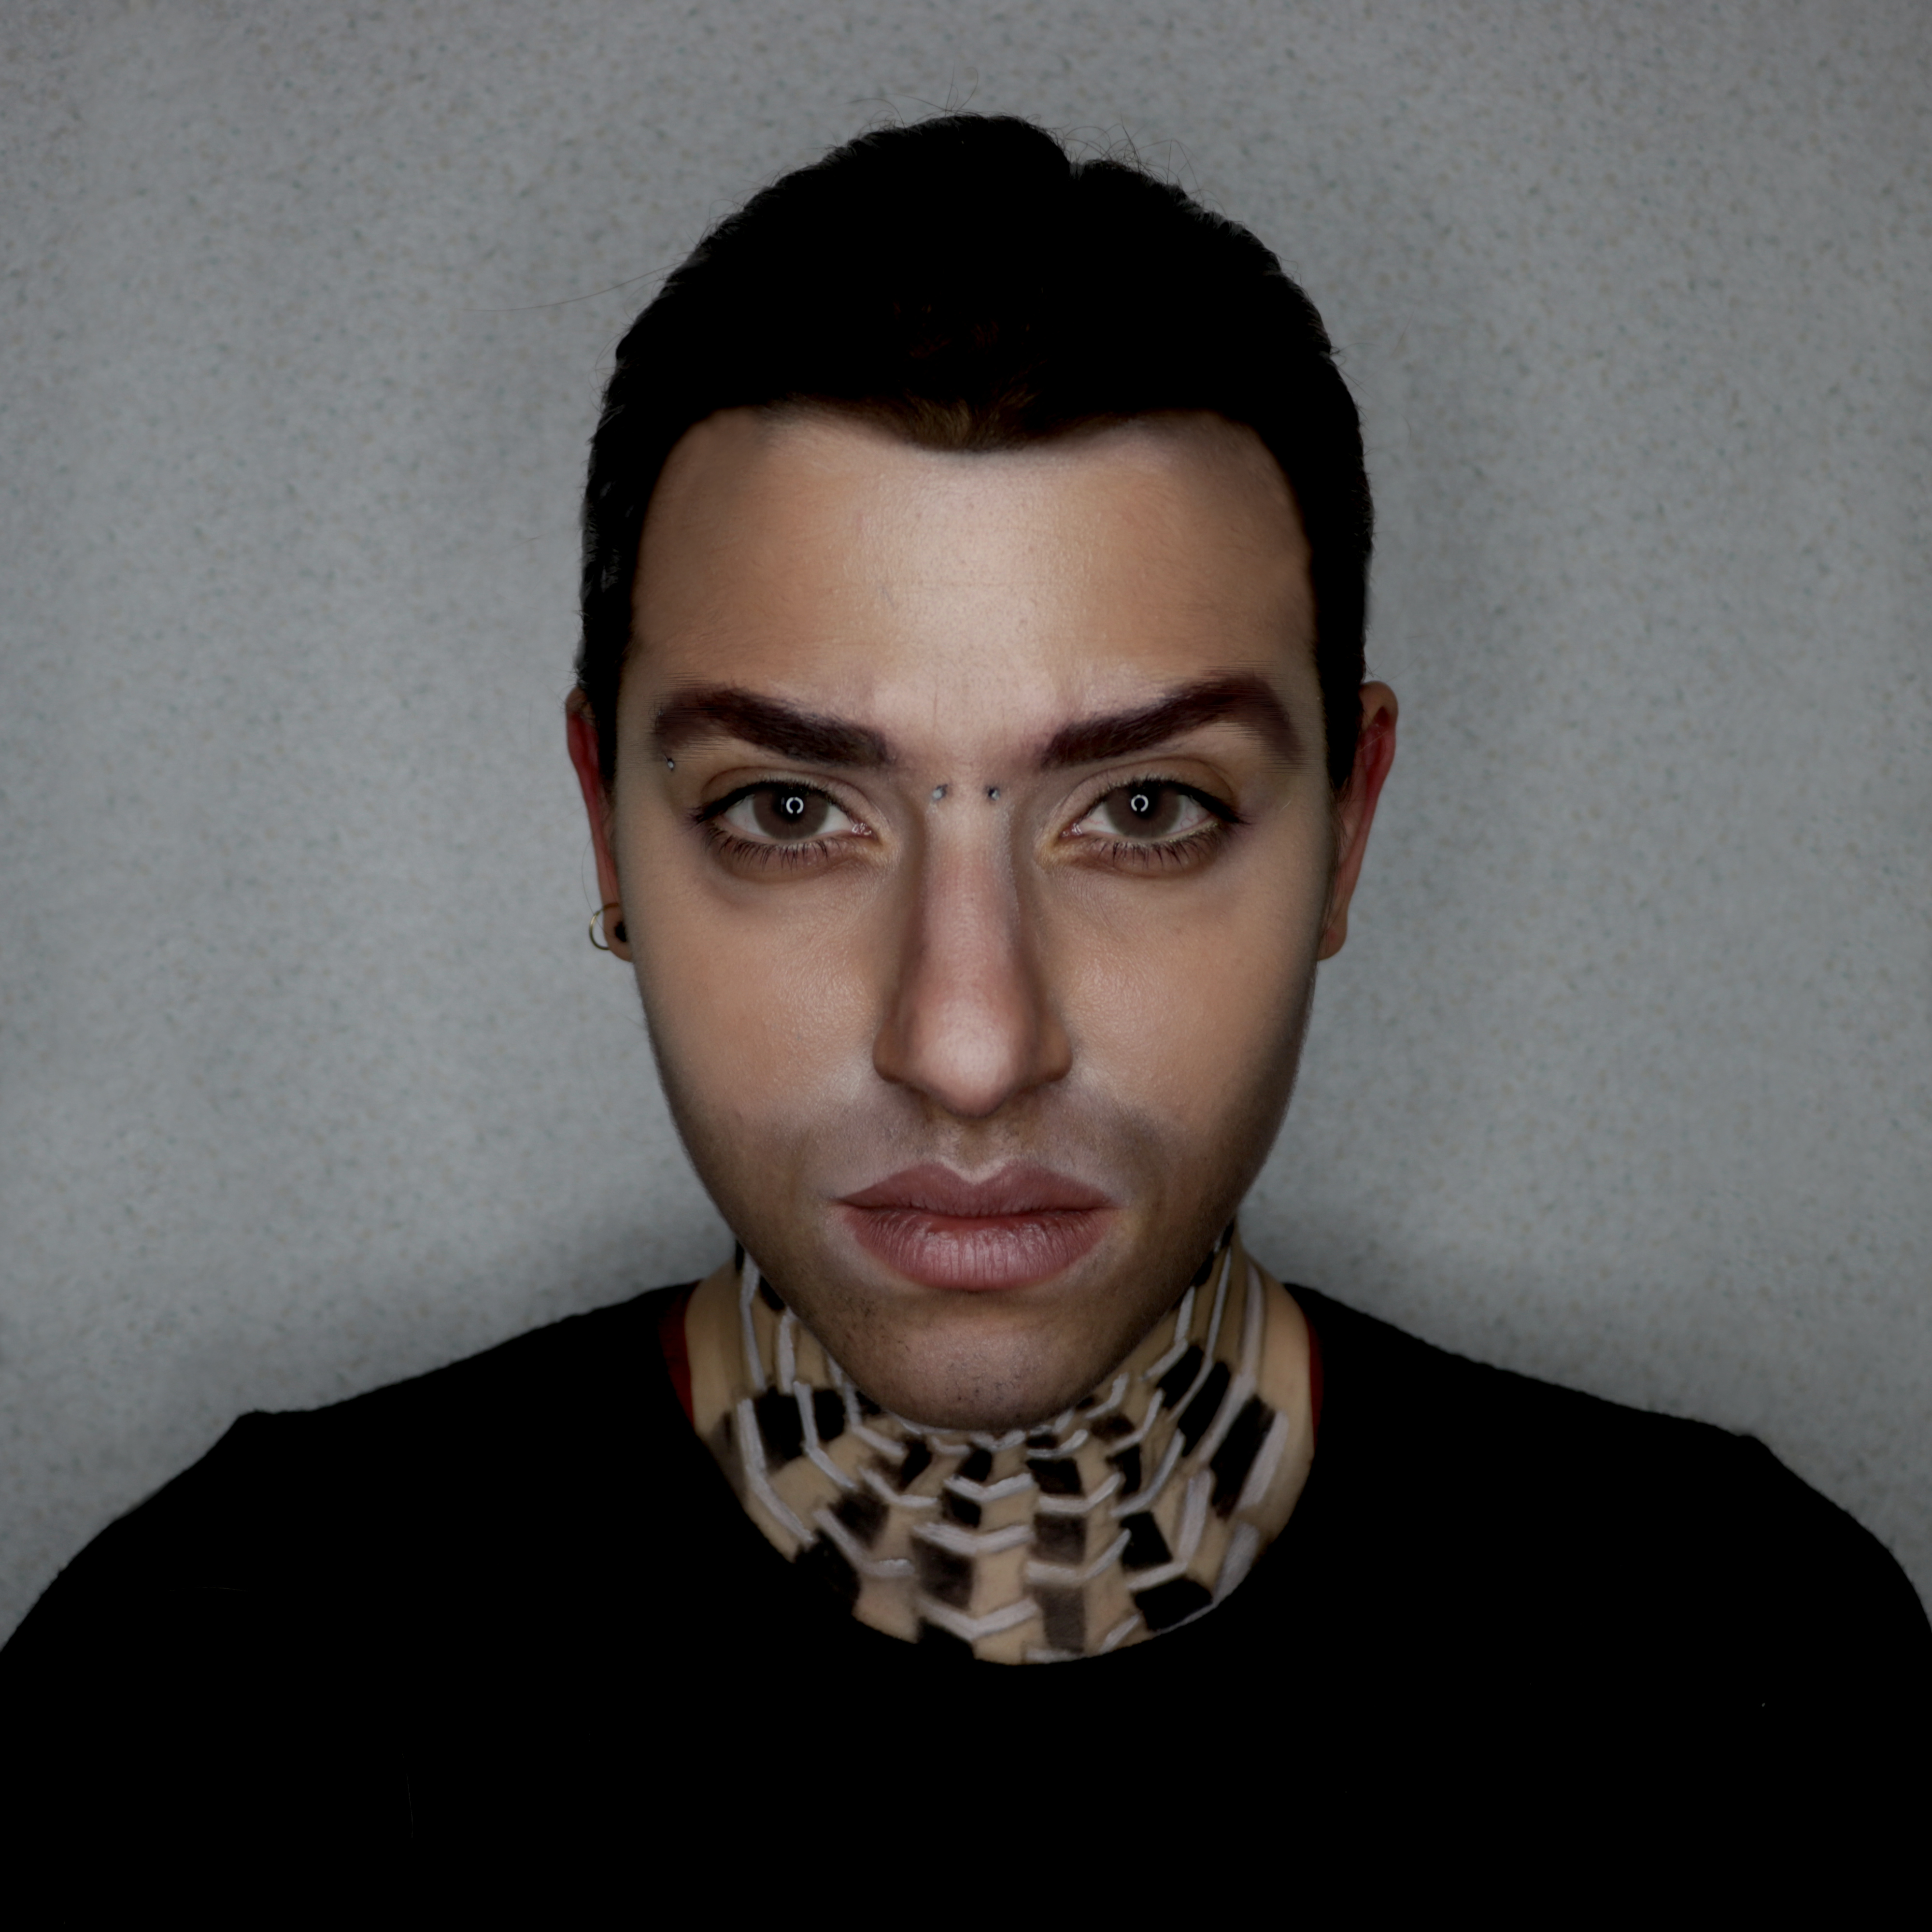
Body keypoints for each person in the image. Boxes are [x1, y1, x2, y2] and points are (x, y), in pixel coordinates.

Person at [3, 113, 1925, 1873]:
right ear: (608, 834)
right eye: (787, 810)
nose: (971, 1046)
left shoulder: (1744, 1671)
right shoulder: (226, 1688)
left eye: (1148, 809)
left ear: (1346, 834)